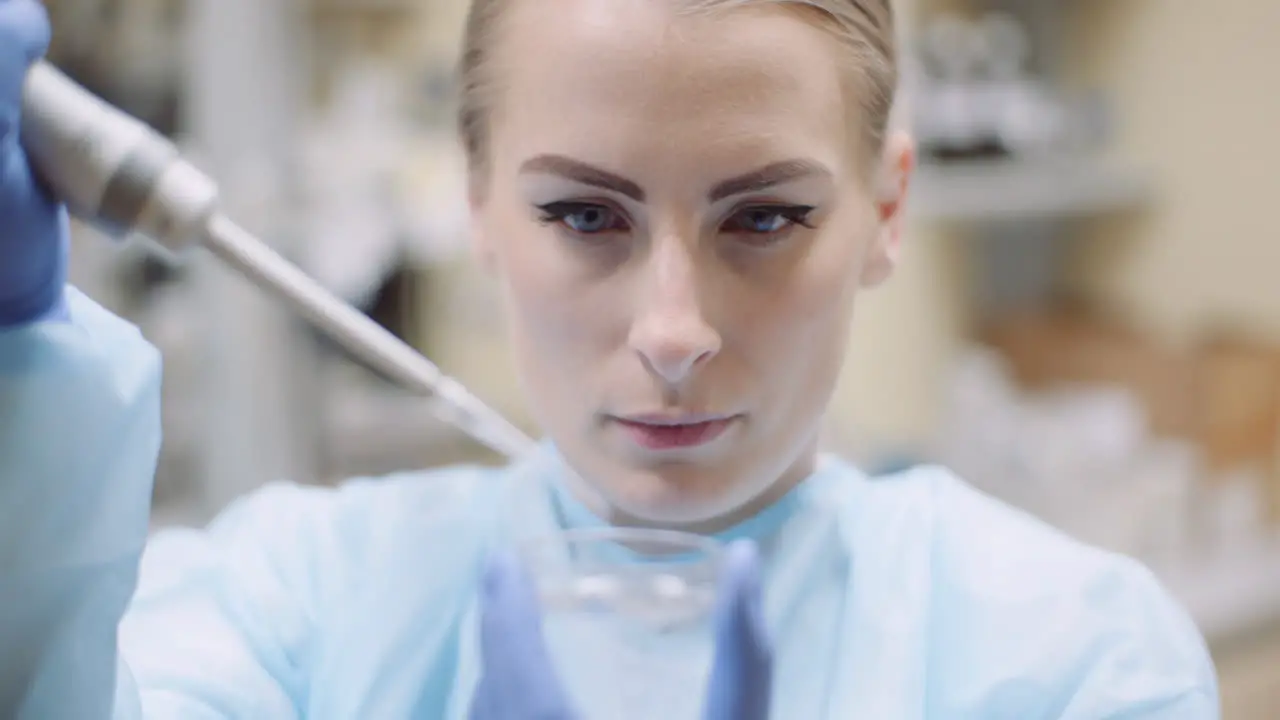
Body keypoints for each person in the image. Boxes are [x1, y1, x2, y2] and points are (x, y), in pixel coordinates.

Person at [0, 0, 1220, 717]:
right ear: (477, 201)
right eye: (585, 217)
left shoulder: (1070, 656)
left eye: (763, 218)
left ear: (885, 213)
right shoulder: (294, 604)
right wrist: (16, 367)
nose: (672, 332)